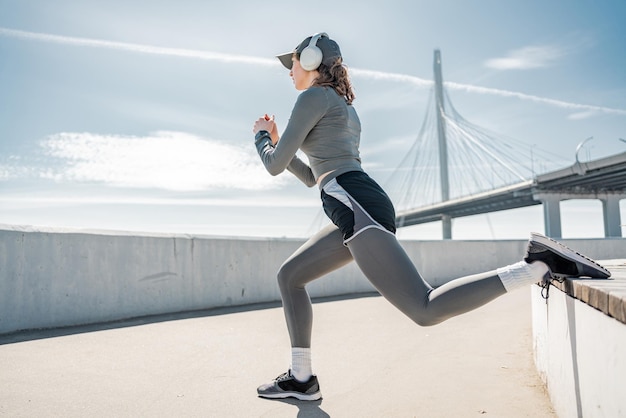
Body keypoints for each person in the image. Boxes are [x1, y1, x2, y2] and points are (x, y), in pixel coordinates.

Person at [251, 32, 611, 401]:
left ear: (310, 61)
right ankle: (301, 378)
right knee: (291, 276)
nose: (289, 70)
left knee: (424, 307)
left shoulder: (313, 97)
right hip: (355, 204)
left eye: (292, 62)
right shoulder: (340, 105)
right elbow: (314, 176)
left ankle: (536, 267)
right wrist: (279, 143)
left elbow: (276, 166)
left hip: (355, 205)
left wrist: (264, 139)